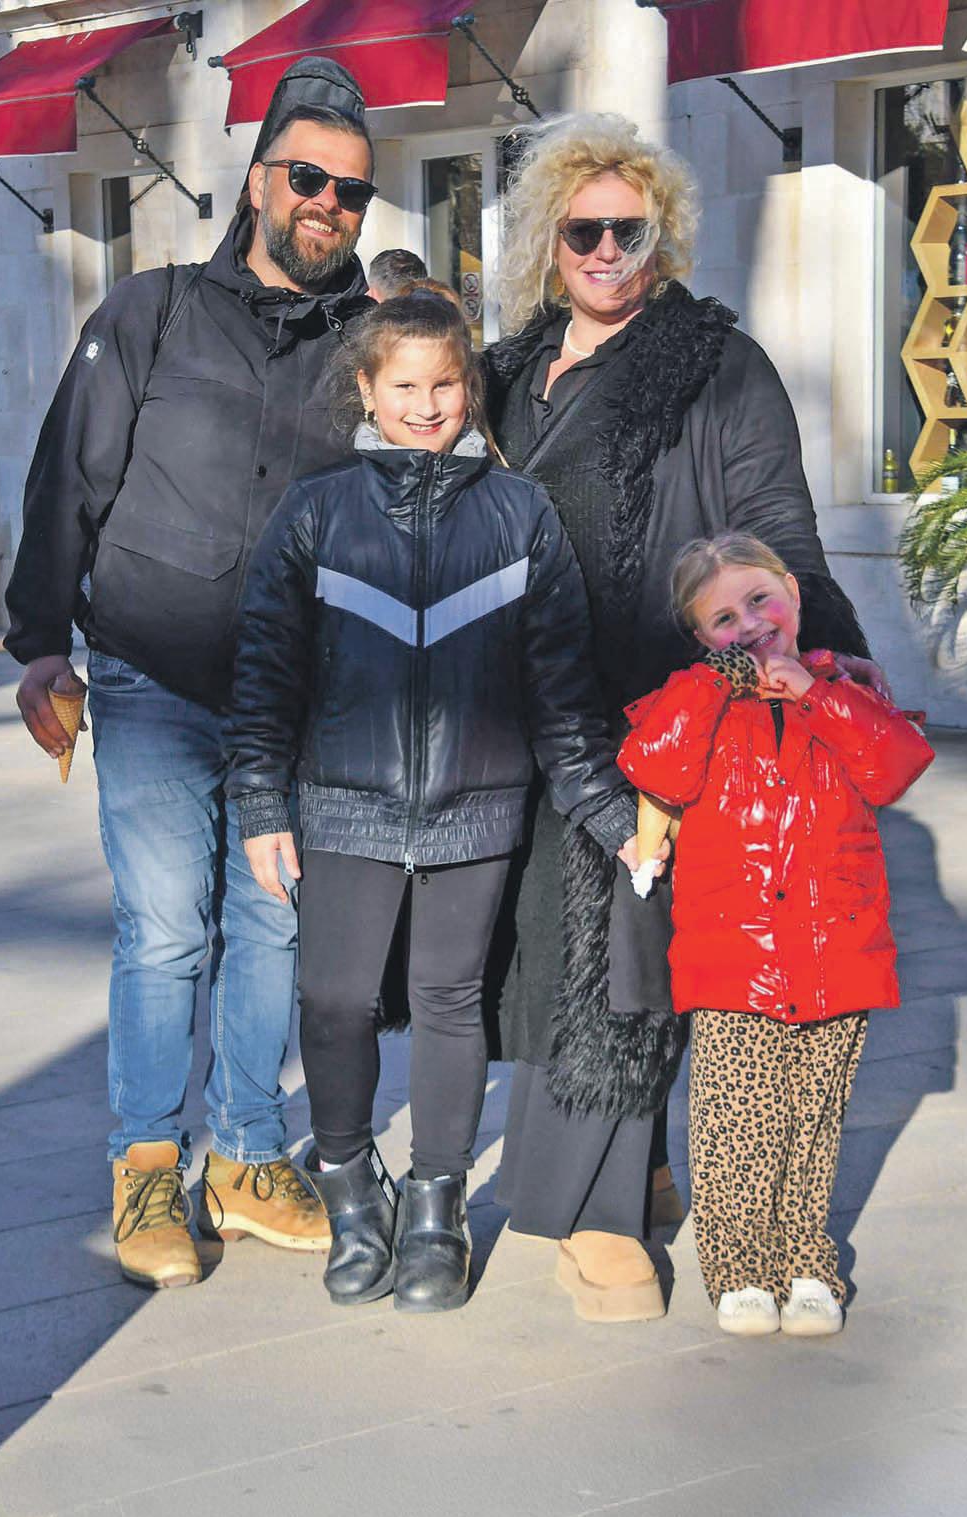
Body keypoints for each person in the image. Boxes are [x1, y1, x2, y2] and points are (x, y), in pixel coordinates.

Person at [483, 112, 887, 1323]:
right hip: (514, 699)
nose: (606, 251)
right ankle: (645, 1166)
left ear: (662, 237)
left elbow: (776, 523)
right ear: (547, 239)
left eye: (630, 230)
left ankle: (596, 1214)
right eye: (583, 232)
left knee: (615, 945)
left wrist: (829, 659)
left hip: (659, 698)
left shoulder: (714, 362)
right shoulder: (507, 368)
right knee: (535, 946)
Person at [3, 57, 378, 1290]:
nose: (329, 205)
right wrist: (38, 640)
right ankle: (148, 1164)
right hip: (151, 678)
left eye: (353, 192)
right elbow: (70, 471)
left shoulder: (367, 343)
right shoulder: (151, 311)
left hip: (292, 696)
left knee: (271, 921)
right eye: (309, 178)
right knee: (167, 930)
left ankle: (249, 1159)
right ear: (259, 179)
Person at [225, 291, 639, 1314]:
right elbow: (266, 672)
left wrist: (615, 818)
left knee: (451, 999)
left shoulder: (519, 514)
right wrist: (262, 803)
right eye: (403, 384)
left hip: (477, 805)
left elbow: (562, 691)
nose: (425, 404)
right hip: (343, 803)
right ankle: (349, 1186)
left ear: (469, 390)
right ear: (366, 389)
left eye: (445, 384)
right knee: (335, 999)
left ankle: (435, 1207)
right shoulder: (317, 511)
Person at [616, 533, 933, 1336]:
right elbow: (653, 765)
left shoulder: (842, 687)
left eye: (759, 599)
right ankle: (740, 1268)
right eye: (722, 619)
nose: (749, 624)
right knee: (735, 1121)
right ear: (699, 636)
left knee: (812, 1118)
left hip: (837, 949)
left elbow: (894, 767)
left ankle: (806, 1261)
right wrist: (710, 682)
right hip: (736, 952)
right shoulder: (696, 696)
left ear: (791, 593)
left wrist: (817, 692)